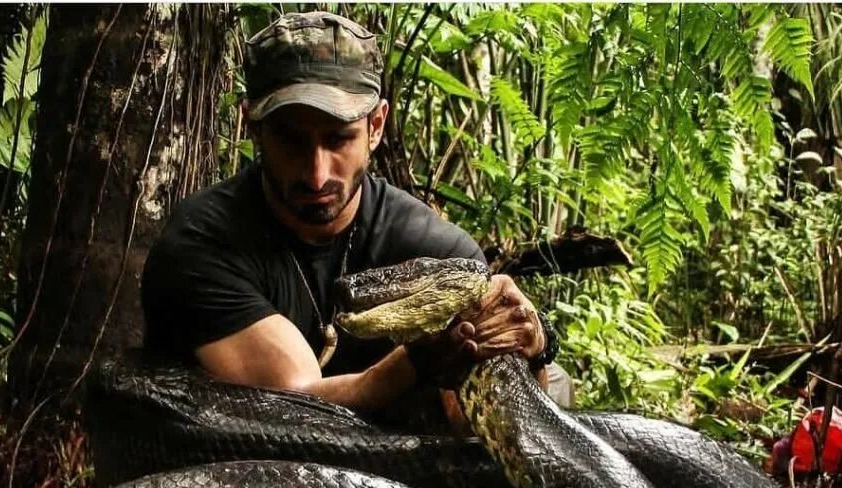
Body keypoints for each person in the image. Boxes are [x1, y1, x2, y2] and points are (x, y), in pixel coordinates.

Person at [140, 10, 559, 418]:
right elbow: (295, 405)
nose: (317, 174)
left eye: (338, 139)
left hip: (398, 479)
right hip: (232, 472)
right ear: (253, 125)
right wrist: (418, 358)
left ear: (376, 126)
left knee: (556, 380)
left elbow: (486, 423)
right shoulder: (198, 246)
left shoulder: (438, 251)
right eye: (292, 141)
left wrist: (534, 345)